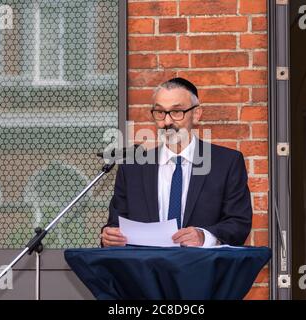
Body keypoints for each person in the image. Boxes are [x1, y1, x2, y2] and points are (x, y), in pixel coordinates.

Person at [101, 77, 252, 247]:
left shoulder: (226, 163)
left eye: (176, 112)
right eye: (160, 112)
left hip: (203, 269)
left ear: (196, 114)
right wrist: (109, 236)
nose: (167, 122)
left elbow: (239, 223)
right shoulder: (132, 168)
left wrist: (204, 237)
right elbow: (116, 223)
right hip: (145, 271)